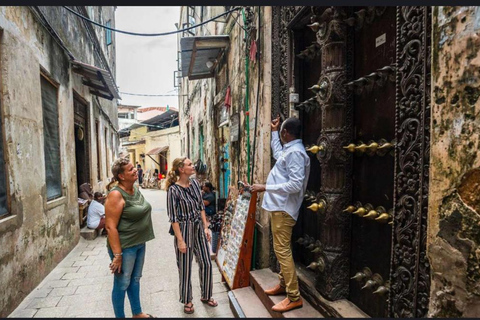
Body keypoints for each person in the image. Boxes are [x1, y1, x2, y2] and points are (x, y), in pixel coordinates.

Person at [249, 116, 311, 313]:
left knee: (282, 250)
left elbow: (295, 184)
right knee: (280, 249)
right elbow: (278, 153)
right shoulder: (290, 150)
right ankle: (284, 285)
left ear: (287, 133)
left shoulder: (296, 154)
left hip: (284, 209)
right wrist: (274, 131)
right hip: (279, 207)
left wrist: (264, 187)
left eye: (280, 132)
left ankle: (294, 296)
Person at [104, 158, 156, 318]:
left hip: (139, 243)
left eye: (134, 168)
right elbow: (110, 227)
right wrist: (117, 255)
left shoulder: (134, 188)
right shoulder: (116, 195)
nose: (135, 171)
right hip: (125, 247)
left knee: (135, 280)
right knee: (122, 283)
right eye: (130, 169)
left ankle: (137, 312)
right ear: (121, 175)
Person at [166, 157, 218, 314]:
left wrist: (206, 226)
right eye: (189, 164)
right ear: (181, 169)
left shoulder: (194, 183)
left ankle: (206, 295)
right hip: (183, 229)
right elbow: (173, 218)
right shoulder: (173, 190)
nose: (193, 166)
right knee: (185, 267)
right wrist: (180, 241)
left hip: (198, 228)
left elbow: (201, 206)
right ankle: (187, 300)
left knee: (206, 262)